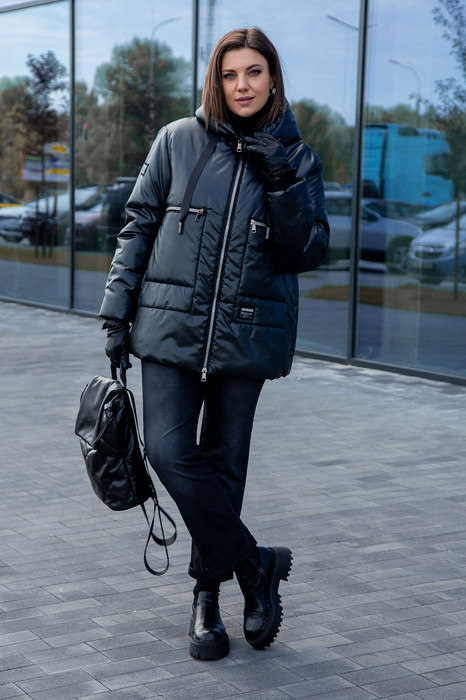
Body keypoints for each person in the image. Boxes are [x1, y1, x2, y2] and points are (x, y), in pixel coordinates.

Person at [100, 26, 329, 661]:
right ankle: (254, 564)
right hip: (169, 327)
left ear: (273, 78)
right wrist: (116, 315)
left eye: (254, 72)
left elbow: (306, 252)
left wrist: (281, 179)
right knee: (169, 451)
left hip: (247, 333)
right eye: (230, 74)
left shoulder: (298, 158)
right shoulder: (178, 140)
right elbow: (138, 225)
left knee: (225, 465)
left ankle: (206, 599)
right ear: (215, 80)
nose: (242, 85)